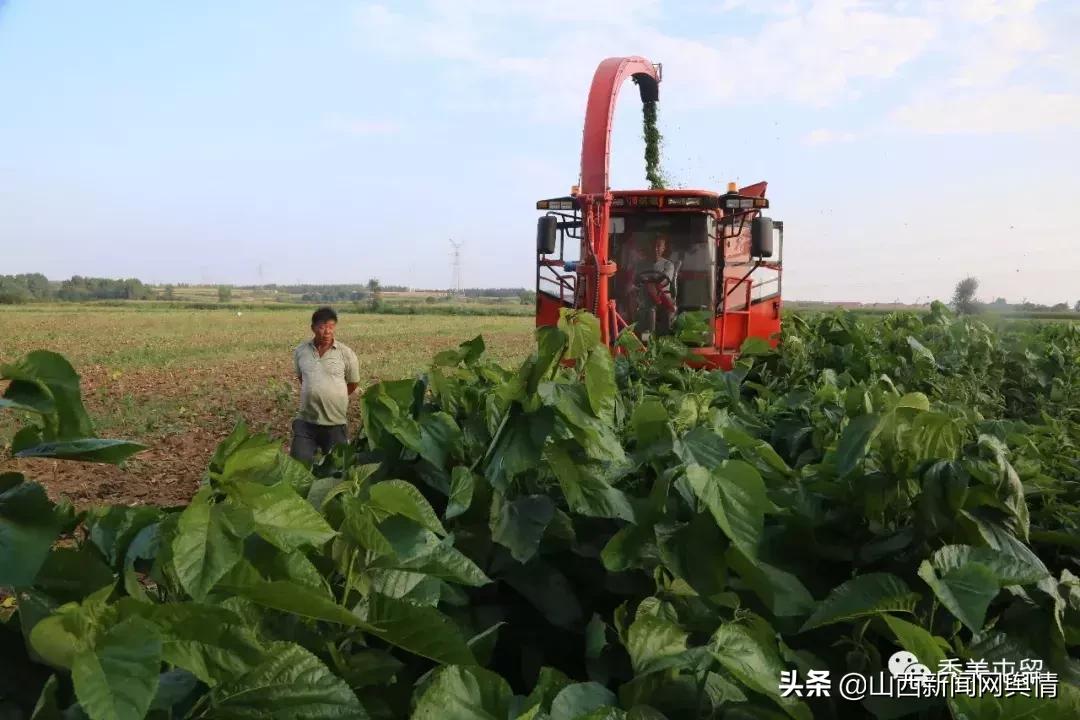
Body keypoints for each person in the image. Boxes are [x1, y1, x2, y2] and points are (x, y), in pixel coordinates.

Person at [290, 306, 360, 464]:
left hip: (335, 422)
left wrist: (335, 395)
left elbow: (353, 383)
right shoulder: (301, 351)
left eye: (331, 327)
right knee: (298, 465)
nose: (327, 332)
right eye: (322, 327)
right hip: (306, 421)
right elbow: (302, 378)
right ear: (313, 328)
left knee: (338, 467)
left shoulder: (346, 353)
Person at [635, 234, 678, 336]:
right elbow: (636, 281)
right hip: (644, 301)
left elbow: (664, 281)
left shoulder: (668, 265)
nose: (655, 249)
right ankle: (643, 337)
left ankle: (665, 335)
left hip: (663, 300)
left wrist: (649, 282)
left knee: (666, 317)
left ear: (663, 248)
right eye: (653, 246)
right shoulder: (640, 264)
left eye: (658, 246)